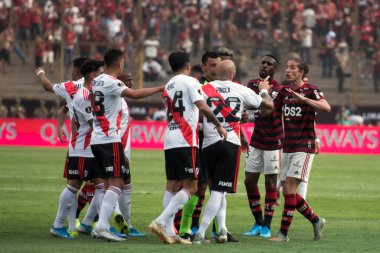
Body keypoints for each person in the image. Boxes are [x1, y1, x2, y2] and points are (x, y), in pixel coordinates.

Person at [148, 51, 227, 244]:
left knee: (172, 185)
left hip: (170, 138)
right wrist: (218, 124)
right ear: (189, 65)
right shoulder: (191, 82)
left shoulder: (167, 86)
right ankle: (160, 221)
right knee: (191, 185)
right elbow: (202, 106)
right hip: (186, 139)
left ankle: (169, 231)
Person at [193, 60, 274, 244]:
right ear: (233, 73)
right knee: (219, 190)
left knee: (216, 189)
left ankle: (222, 230)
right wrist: (263, 90)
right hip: (229, 143)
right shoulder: (241, 89)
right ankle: (201, 233)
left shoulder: (205, 88)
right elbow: (269, 106)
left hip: (207, 144)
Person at [90, 48, 164, 242]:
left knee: (107, 184)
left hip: (96, 138)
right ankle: (103, 227)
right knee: (117, 183)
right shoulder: (112, 82)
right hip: (109, 139)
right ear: (120, 62)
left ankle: (100, 225)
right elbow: (135, 94)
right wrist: (159, 88)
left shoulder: (96, 81)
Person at [262, 58, 331, 242]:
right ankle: (316, 220)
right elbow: (269, 111)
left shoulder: (311, 90)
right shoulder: (284, 92)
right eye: (287, 67)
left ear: (301, 72)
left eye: (292, 67)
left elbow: (326, 107)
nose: (288, 70)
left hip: (305, 145)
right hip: (288, 145)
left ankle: (283, 234)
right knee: (287, 191)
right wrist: (264, 94)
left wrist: (305, 100)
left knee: (290, 185)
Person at [35, 57, 88, 239]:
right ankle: (85, 224)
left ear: (75, 71)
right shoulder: (92, 86)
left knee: (82, 184)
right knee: (91, 184)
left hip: (80, 144)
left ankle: (75, 225)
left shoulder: (72, 87)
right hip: (87, 145)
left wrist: (40, 72)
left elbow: (48, 87)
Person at [178, 51, 221, 239]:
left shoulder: (222, 87)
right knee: (199, 185)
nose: (216, 69)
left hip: (219, 140)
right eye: (212, 65)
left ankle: (219, 228)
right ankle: (188, 226)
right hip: (200, 140)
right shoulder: (198, 85)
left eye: (218, 65)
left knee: (218, 186)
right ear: (203, 67)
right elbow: (195, 110)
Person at [243, 55, 283, 238]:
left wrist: (263, 92)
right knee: (249, 181)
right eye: (263, 63)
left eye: (269, 64)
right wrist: (243, 113)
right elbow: (242, 104)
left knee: (270, 183)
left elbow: (268, 110)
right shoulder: (251, 84)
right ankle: (258, 222)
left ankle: (267, 226)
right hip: (256, 140)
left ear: (275, 70)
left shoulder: (279, 89)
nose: (265, 66)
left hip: (274, 141)